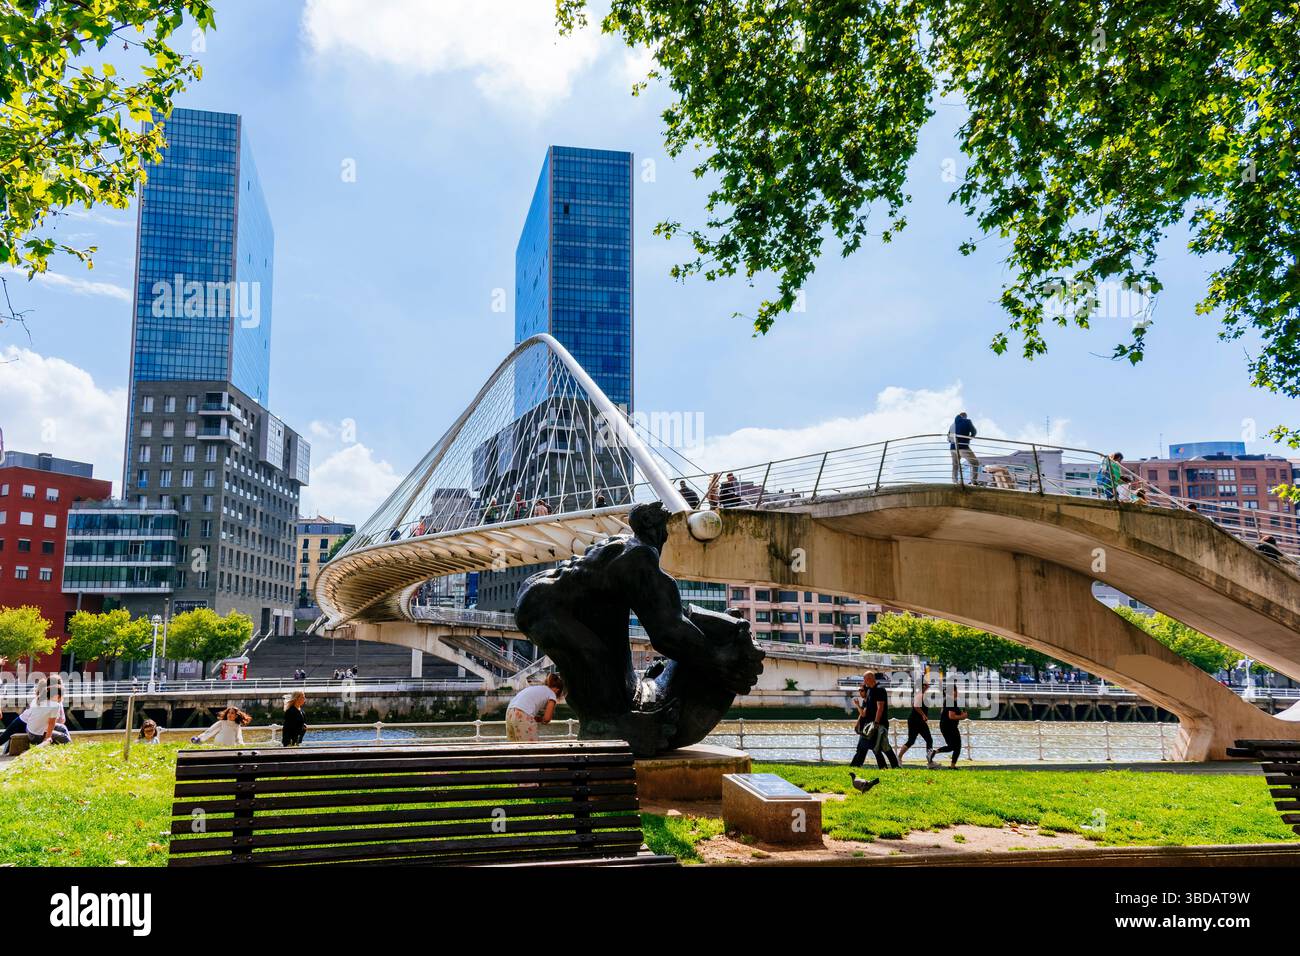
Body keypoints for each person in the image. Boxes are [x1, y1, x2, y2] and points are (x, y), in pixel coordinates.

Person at [850, 672, 899, 769]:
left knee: (882, 747)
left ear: (870, 679)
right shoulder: (869, 691)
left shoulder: (879, 690)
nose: (864, 681)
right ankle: (887, 766)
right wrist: (859, 723)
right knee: (876, 747)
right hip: (870, 725)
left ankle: (890, 766)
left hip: (879, 724)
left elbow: (880, 707)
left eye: (865, 679)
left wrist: (876, 723)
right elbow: (866, 710)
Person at [505, 674, 565, 742]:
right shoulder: (552, 694)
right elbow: (547, 719)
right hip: (523, 713)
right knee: (531, 748)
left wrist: (534, 718)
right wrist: (542, 720)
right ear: (557, 690)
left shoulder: (536, 688)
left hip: (509, 712)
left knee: (514, 747)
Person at [896, 679, 935, 764]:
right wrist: (923, 715)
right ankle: (930, 761)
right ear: (923, 686)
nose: (928, 686)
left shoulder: (920, 694)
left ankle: (898, 758)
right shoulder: (920, 694)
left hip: (914, 720)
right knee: (929, 740)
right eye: (927, 685)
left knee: (911, 741)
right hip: (917, 721)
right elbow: (916, 706)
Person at [930, 693, 968, 768]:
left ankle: (934, 753)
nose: (957, 692)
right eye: (955, 691)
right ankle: (952, 766)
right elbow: (951, 716)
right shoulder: (950, 701)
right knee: (957, 746)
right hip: (950, 727)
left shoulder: (947, 701)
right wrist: (963, 716)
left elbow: (943, 712)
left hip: (946, 726)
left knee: (952, 747)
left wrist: (960, 714)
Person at [948, 412, 981, 485]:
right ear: (965, 416)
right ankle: (974, 481)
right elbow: (974, 431)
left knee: (955, 464)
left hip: (953, 448)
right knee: (975, 463)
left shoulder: (952, 425)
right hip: (963, 447)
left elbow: (948, 438)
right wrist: (970, 437)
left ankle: (955, 481)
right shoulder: (967, 421)